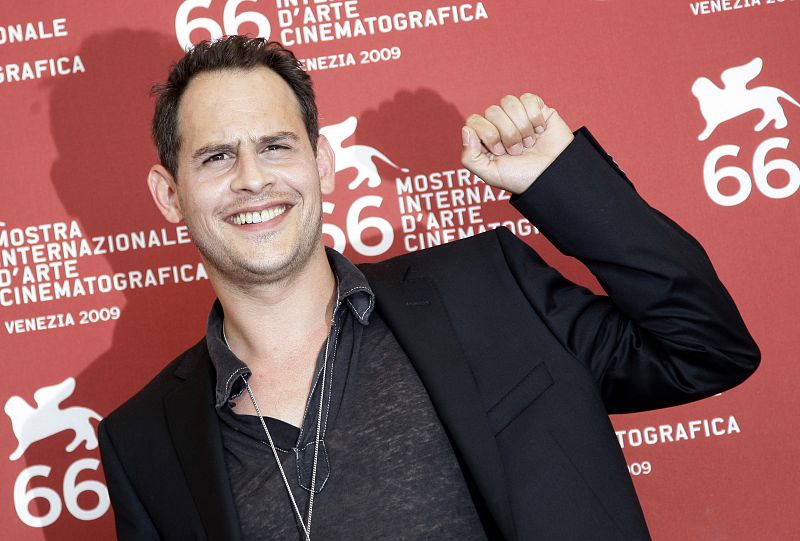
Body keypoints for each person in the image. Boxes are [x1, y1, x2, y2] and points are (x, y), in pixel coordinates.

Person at [98, 36, 759, 541]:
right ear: (169, 195)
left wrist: (563, 181)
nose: (252, 179)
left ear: (321, 163)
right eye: (217, 156)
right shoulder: (142, 444)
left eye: (276, 146)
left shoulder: (486, 291)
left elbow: (707, 348)